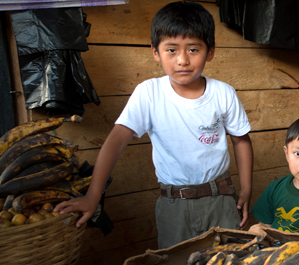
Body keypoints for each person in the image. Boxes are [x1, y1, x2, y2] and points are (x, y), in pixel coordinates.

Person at [54, 1, 253, 249]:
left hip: (221, 199)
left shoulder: (223, 93)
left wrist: (246, 189)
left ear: (210, 52)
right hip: (173, 205)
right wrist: (93, 197)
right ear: (156, 52)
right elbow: (116, 141)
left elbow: (241, 139)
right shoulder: (149, 93)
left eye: (193, 49)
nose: (182, 60)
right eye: (171, 50)